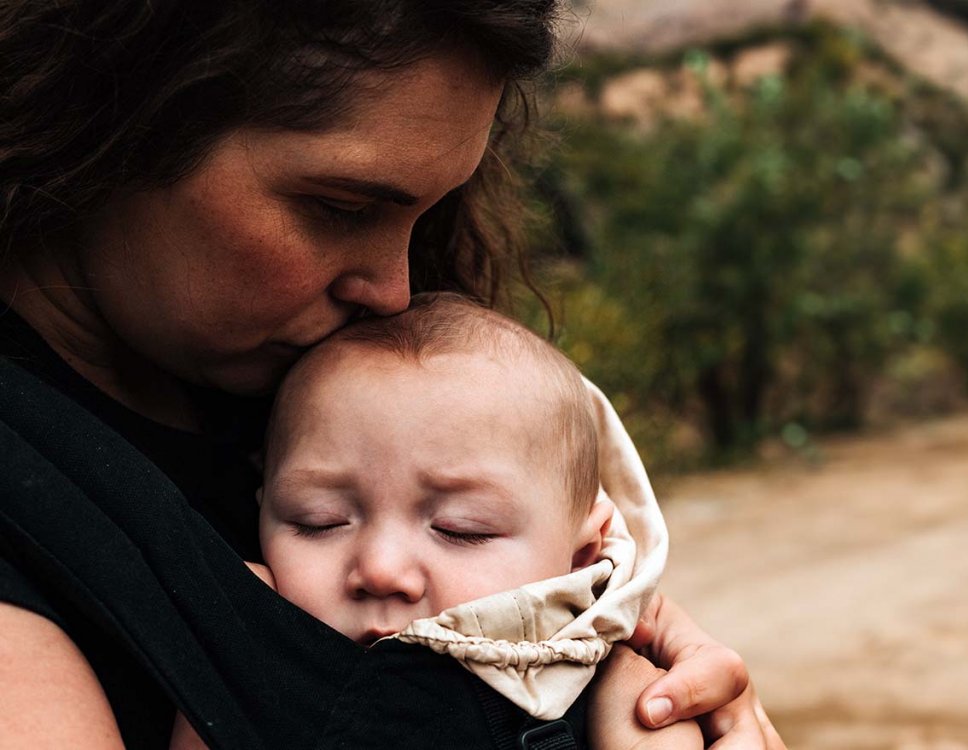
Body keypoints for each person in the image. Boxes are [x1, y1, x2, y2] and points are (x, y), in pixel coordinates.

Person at [0, 1, 785, 748]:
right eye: (341, 208)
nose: (393, 290)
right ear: (111, 119)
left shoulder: (308, 384)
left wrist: (607, 648)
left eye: (431, 215)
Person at [172, 291, 670, 748]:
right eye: (318, 521)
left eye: (461, 529)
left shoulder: (626, 704)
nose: (382, 570)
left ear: (580, 557)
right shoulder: (248, 661)